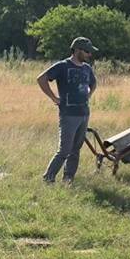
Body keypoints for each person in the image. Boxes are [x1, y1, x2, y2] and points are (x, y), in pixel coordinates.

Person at [37, 36, 98, 186]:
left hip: (84, 113)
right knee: (64, 150)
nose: (89, 55)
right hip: (68, 115)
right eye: (87, 51)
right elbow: (41, 79)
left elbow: (94, 83)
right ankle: (48, 178)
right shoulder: (62, 66)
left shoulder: (87, 68)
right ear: (77, 50)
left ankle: (68, 179)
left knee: (76, 149)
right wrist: (54, 98)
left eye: (90, 52)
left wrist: (88, 96)